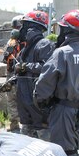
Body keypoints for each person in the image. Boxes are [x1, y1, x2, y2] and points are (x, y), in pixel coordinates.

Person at [33, 10, 79, 156]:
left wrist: (40, 101)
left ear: (68, 31)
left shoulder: (62, 53)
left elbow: (44, 84)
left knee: (62, 153)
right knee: (73, 144)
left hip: (62, 110)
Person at [15, 11, 55, 139]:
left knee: (45, 144)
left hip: (38, 103)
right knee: (26, 145)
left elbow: (47, 68)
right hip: (25, 103)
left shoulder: (45, 45)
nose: (21, 30)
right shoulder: (25, 49)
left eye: (24, 26)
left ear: (32, 28)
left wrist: (26, 66)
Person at [2, 29, 21, 131]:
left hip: (16, 74)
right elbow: (5, 58)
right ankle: (14, 124)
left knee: (11, 99)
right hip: (14, 74)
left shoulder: (14, 43)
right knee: (11, 98)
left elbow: (5, 59)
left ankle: (15, 123)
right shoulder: (12, 43)